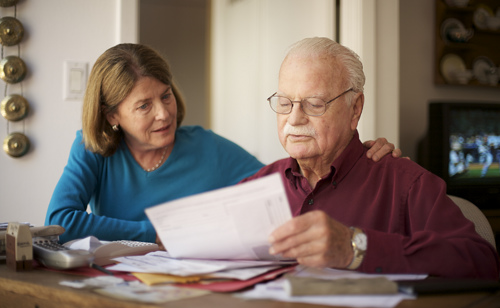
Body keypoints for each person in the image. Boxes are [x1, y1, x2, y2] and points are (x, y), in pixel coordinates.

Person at [45, 43, 398, 244]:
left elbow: (293, 189)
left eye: (166, 96)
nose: (164, 114)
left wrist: (357, 161)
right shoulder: (92, 147)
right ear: (112, 116)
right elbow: (60, 222)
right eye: (144, 106)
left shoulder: (207, 147)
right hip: (111, 287)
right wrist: (157, 233)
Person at [242, 37, 499, 279]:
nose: (295, 118)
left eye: (315, 104)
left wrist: (356, 248)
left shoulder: (407, 184)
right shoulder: (256, 186)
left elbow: (482, 263)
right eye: (285, 103)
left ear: (355, 109)